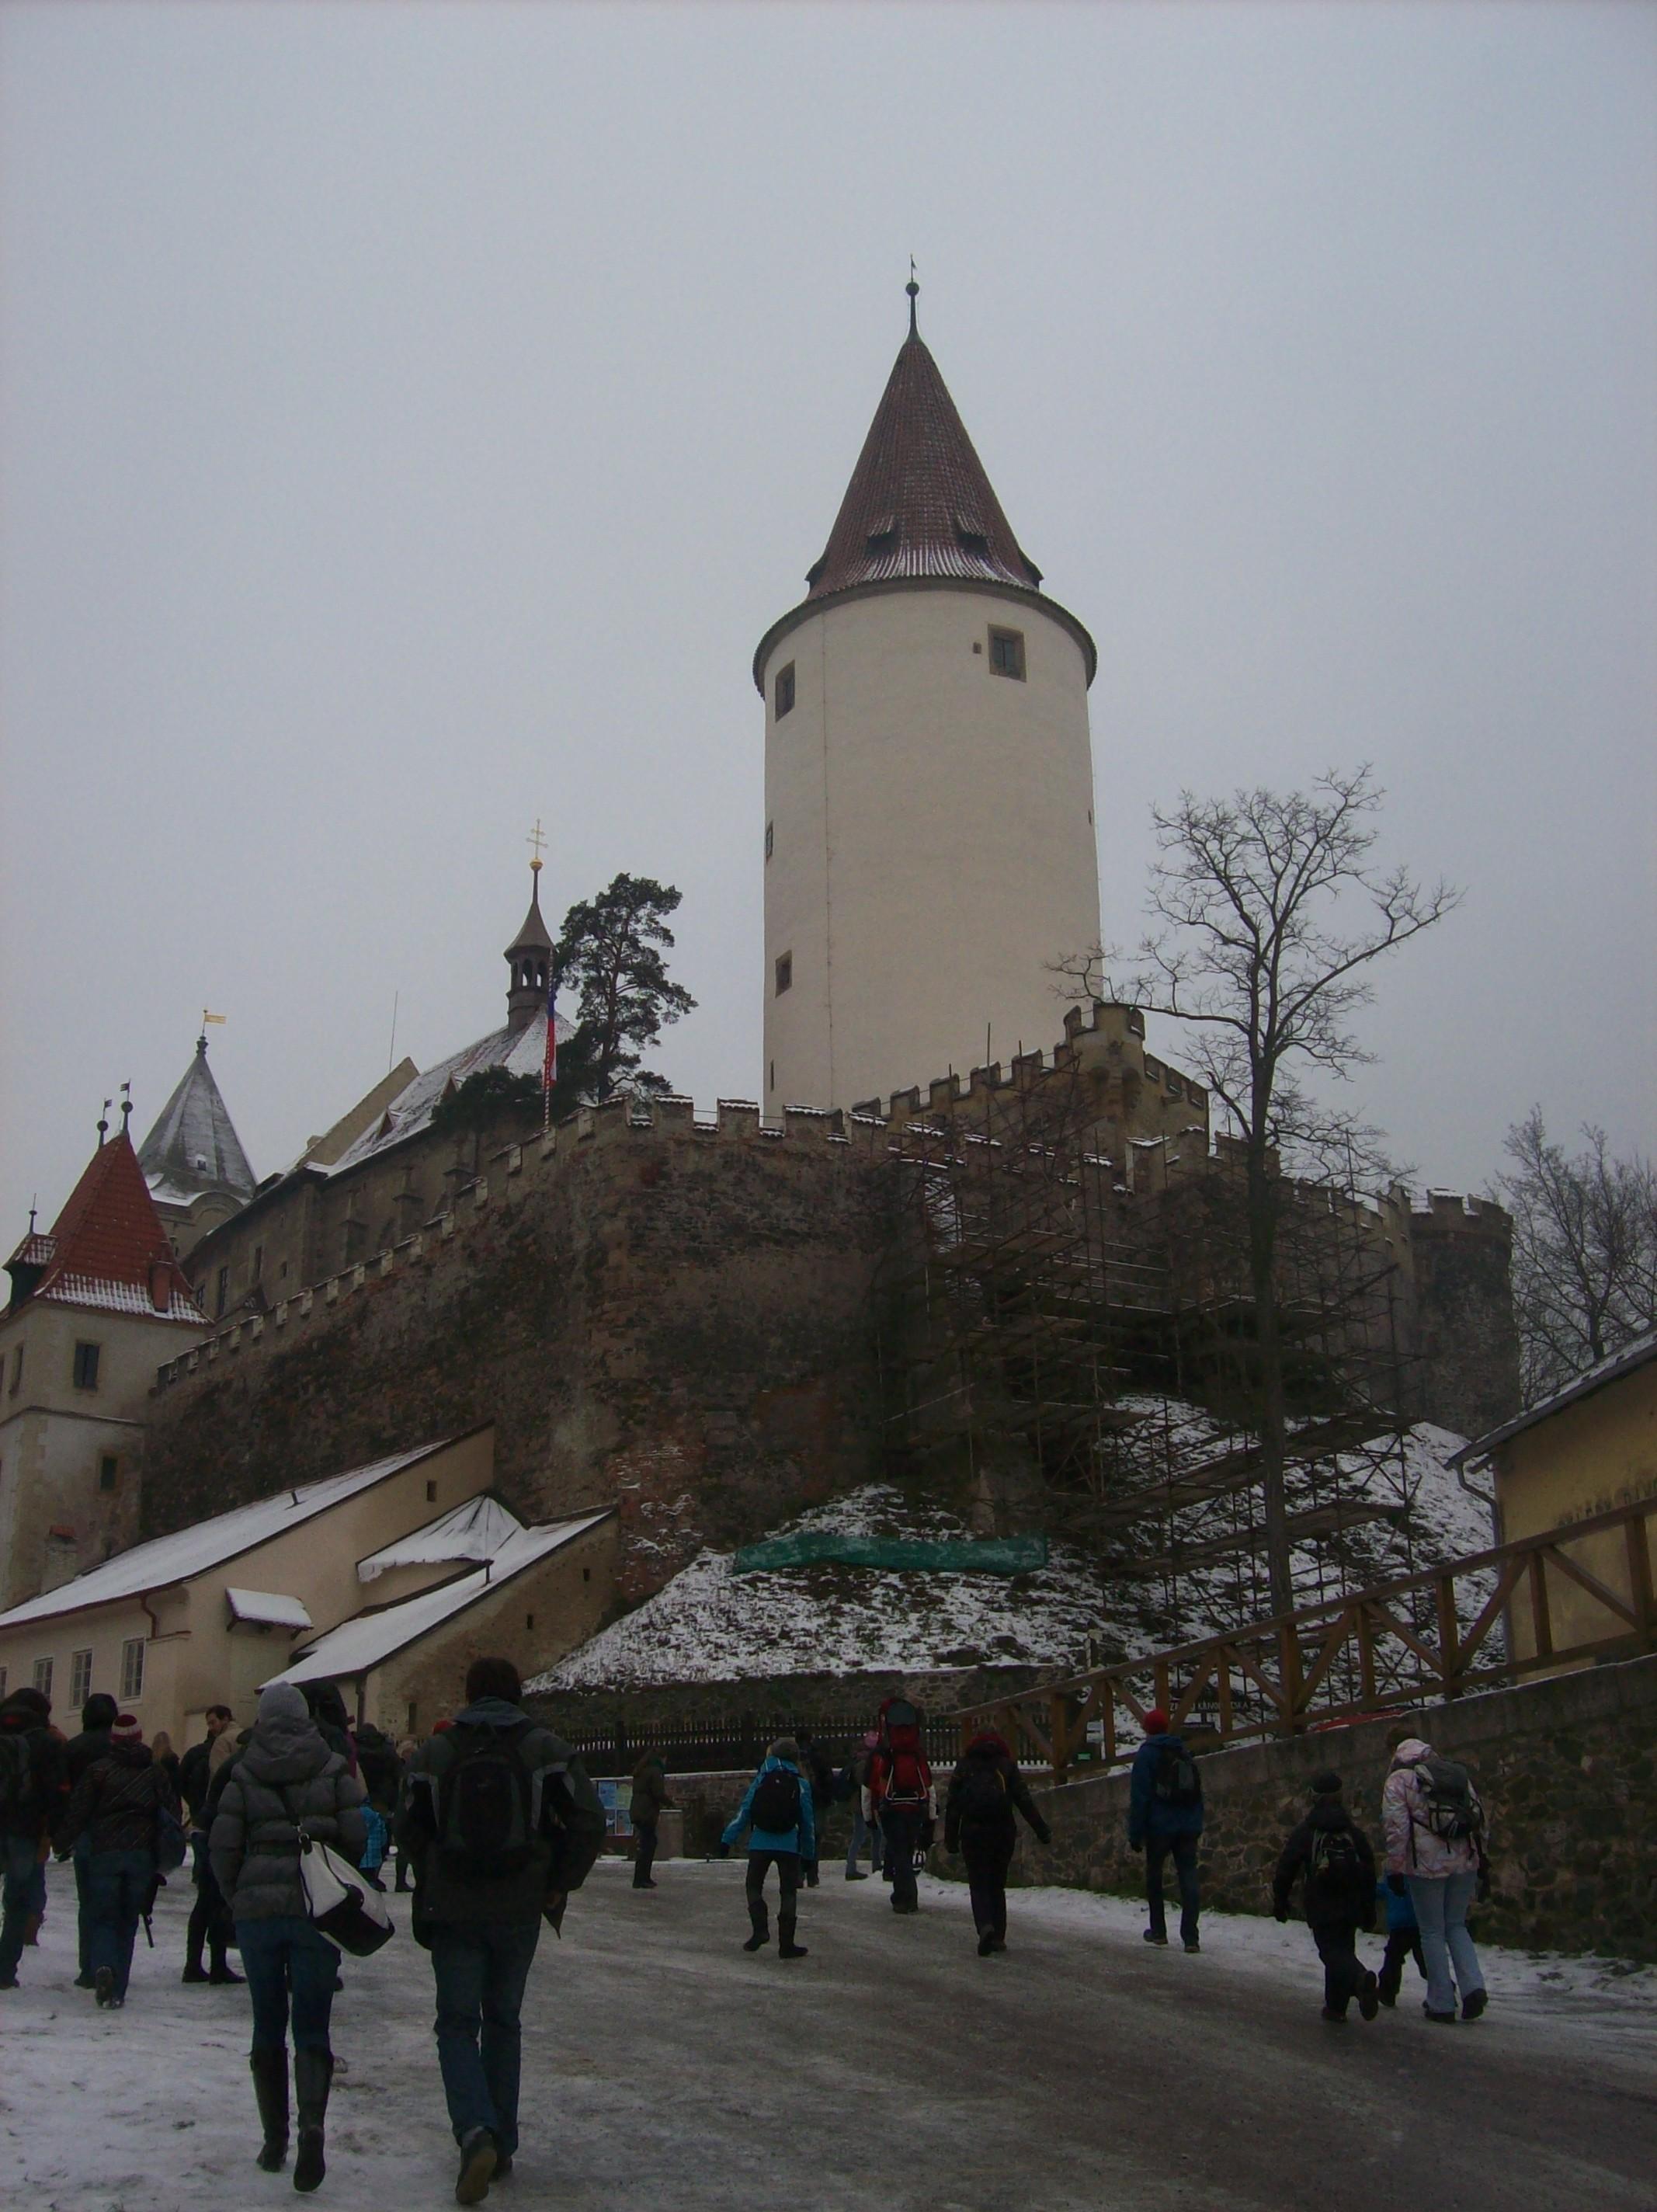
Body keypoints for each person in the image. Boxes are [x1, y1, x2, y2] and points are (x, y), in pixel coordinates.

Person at [398, 1656, 603, 2203]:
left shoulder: (436, 1752)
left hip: (456, 1910)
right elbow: (589, 1819)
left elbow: (408, 1825)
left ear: (468, 1694)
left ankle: (474, 2132)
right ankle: (503, 2142)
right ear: (518, 1693)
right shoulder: (545, 1747)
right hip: (519, 1906)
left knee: (457, 2024)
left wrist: (435, 1872)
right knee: (504, 2021)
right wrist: (557, 1880)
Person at [210, 1682, 367, 2189]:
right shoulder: (331, 1767)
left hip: (258, 1911)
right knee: (313, 2025)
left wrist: (240, 1896)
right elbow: (357, 1836)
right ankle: (314, 2126)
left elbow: (223, 1845)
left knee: (266, 2022)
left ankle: (273, 2140)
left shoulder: (243, 1771)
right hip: (314, 1909)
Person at [60, 1712, 179, 2009]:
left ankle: (102, 1966)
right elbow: (171, 1814)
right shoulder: (154, 1773)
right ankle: (117, 1990)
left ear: (113, 1739)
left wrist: (62, 1840)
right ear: (139, 1738)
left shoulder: (98, 1771)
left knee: (103, 1917)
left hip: (104, 1853)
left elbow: (79, 1811)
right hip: (141, 1855)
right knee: (128, 1920)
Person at [1381, 1733, 1489, 2025]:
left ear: (1395, 1750)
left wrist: (1395, 1867)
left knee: (1431, 1932)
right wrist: (1481, 1857)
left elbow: (1396, 1829)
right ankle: (1473, 1987)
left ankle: (1441, 2001)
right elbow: (1479, 1815)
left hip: (1426, 1865)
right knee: (1456, 1925)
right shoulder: (1454, 1772)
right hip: (1464, 1859)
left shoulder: (1399, 1780)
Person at [1271, 1772, 1380, 2022]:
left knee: (1331, 1952)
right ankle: (1337, 2007)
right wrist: (1369, 1907)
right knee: (1343, 1949)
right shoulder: (1351, 1830)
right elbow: (1368, 1869)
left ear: (1314, 1797)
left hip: (1321, 1902)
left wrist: (1280, 1900)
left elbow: (1287, 1867)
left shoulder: (1308, 1830)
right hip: (1351, 1901)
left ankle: (1359, 1979)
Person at [944, 1728, 1051, 1956]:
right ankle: (1000, 1937)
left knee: (978, 1883)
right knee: (996, 1884)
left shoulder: (964, 1767)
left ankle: (985, 1926)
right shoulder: (1007, 1766)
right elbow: (1024, 1800)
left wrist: (950, 1838)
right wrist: (1042, 1830)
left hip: (973, 1832)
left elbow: (953, 1805)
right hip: (1002, 1831)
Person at [721, 1736, 815, 1960]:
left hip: (760, 1842)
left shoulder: (763, 1777)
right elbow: (808, 1822)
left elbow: (745, 1811)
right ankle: (786, 1945)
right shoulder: (800, 1782)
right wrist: (809, 1857)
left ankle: (760, 1929)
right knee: (788, 1892)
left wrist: (727, 1840)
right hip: (789, 1845)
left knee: (753, 1886)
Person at [1, 1685, 68, 1991]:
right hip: (25, 1830)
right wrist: (56, 1832)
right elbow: (56, 1792)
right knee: (17, 1900)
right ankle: (4, 1971)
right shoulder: (47, 1742)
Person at [1128, 1707, 1204, 1953]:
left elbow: (1140, 1798)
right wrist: (1195, 1824)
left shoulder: (1146, 1755)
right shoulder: (1183, 1752)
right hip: (1187, 1827)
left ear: (1147, 1729)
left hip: (1159, 1826)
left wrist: (1135, 1833)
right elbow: (1197, 1792)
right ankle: (1191, 1936)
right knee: (1189, 1878)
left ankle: (1158, 1930)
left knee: (1154, 1878)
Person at [179, 1706, 242, 1984]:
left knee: (207, 1899)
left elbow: (182, 1782)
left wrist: (197, 1808)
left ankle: (197, 1964)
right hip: (217, 1827)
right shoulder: (227, 1749)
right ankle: (213, 1965)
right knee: (215, 1899)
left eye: (214, 1721)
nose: (212, 1725)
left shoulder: (200, 1752)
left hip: (205, 1825)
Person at [62, 1692, 120, 1987]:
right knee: (114, 1903)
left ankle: (88, 1967)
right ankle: (111, 1962)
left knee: (88, 1903)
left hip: (85, 1832)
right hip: (119, 1833)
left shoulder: (73, 1748)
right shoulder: (120, 1748)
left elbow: (65, 1795)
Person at [866, 1699, 936, 1916]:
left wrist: (869, 1816)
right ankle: (902, 1895)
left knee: (899, 1853)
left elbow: (869, 1788)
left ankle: (906, 1897)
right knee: (905, 1850)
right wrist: (931, 1817)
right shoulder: (916, 1753)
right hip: (915, 1807)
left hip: (892, 1808)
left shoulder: (884, 1754)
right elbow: (929, 1786)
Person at [1375, 1869, 1426, 2008]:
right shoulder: (1418, 1873)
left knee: (1393, 1959)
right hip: (1418, 1923)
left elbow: (1378, 1890)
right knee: (1425, 1961)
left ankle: (1387, 1992)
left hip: (1400, 1926)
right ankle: (1444, 1989)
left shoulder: (1391, 1874)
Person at [794, 1729, 835, 1888]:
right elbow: (829, 1779)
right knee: (815, 1839)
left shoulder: (793, 1758)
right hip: (817, 1802)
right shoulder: (818, 1756)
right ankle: (813, 1875)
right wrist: (826, 1797)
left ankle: (799, 1874)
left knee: (799, 1839)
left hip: (799, 1802)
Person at [630, 1752, 673, 1890]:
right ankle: (642, 1878)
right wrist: (670, 1803)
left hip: (637, 1810)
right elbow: (658, 1792)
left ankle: (641, 1877)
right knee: (648, 1844)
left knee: (645, 1844)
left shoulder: (640, 1771)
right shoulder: (655, 1772)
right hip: (647, 1812)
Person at [843, 1731, 882, 1881]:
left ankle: (857, 1866)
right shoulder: (865, 1763)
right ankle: (855, 1867)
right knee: (866, 1835)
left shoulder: (856, 1759)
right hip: (864, 1802)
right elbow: (866, 1783)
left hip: (858, 1802)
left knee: (865, 1835)